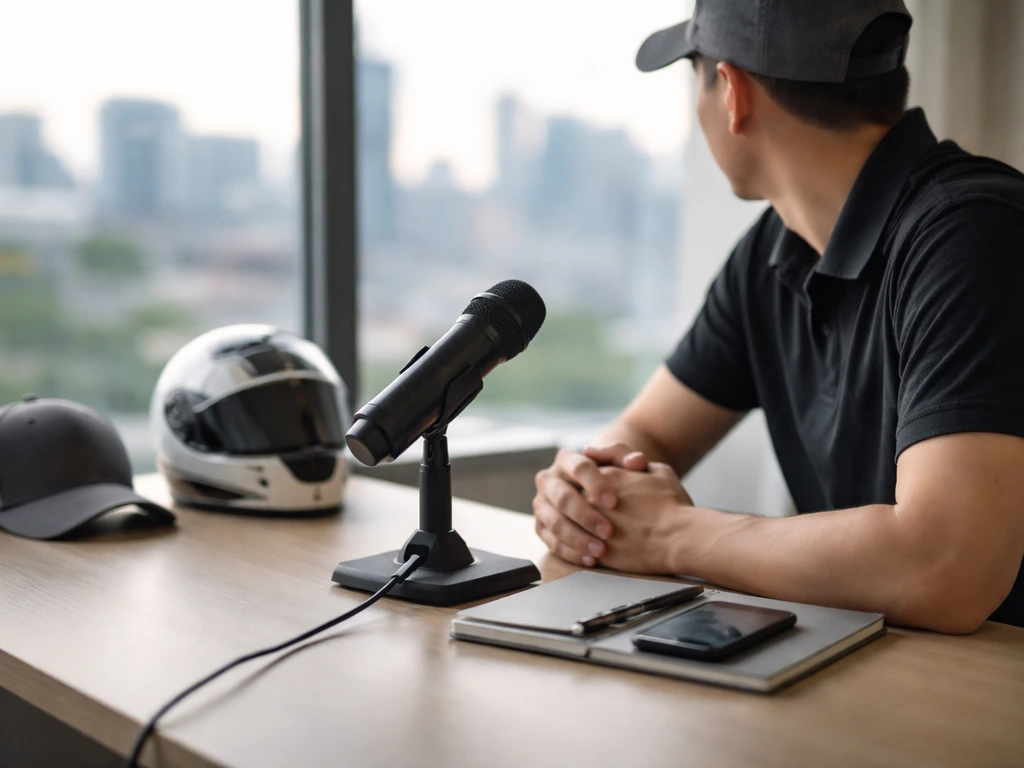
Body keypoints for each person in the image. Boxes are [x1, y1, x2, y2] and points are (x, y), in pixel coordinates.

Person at [532, 0, 1024, 633]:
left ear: (732, 93)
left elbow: (946, 567)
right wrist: (583, 493)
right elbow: (646, 435)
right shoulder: (773, 251)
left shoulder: (973, 235)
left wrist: (673, 535)